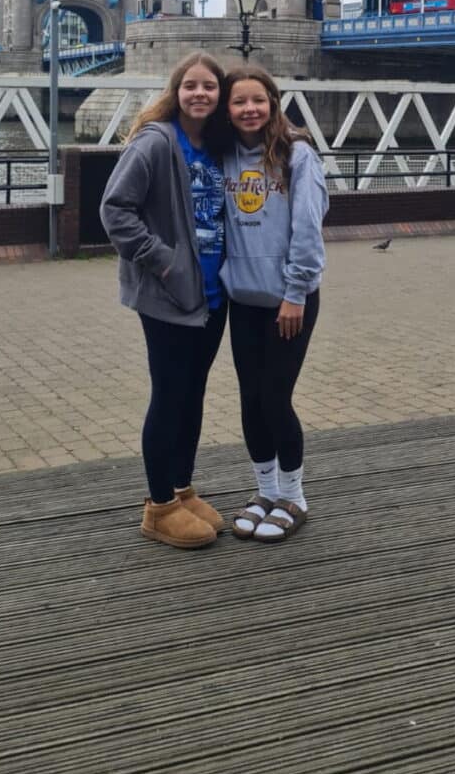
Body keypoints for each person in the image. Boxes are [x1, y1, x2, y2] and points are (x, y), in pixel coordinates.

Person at [99, 52, 227, 550]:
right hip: (168, 292)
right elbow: (115, 210)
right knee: (169, 395)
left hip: (214, 295)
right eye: (191, 86)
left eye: (210, 87)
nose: (201, 94)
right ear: (177, 91)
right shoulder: (155, 143)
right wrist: (163, 260)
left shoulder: (218, 146)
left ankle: (182, 490)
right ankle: (157, 507)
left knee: (193, 395)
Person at [216, 65, 329, 543]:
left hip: (289, 301)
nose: (249, 109)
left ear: (274, 103)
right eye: (239, 102)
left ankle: (294, 497)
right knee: (249, 399)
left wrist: (295, 292)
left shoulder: (297, 154)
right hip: (243, 298)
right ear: (228, 109)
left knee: (275, 398)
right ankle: (264, 492)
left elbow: (307, 227)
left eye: (258, 100)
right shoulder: (221, 155)